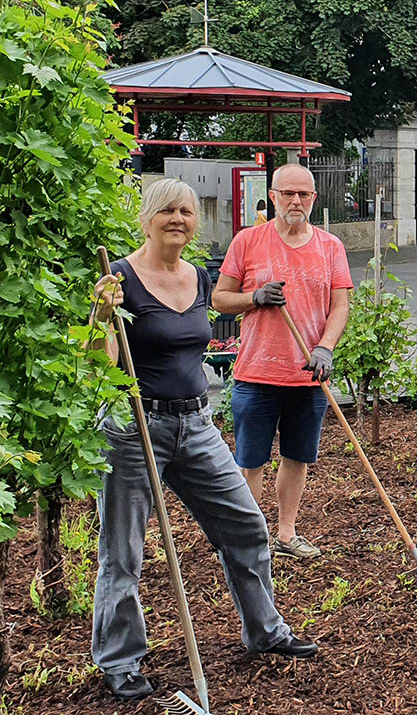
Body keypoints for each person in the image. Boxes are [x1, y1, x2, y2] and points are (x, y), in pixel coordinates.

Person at [89, 179, 316, 702]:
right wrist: (102, 316)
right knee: (122, 551)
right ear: (147, 217)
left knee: (245, 524)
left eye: (186, 211)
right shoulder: (118, 278)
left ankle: (264, 631)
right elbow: (101, 366)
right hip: (133, 425)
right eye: (167, 209)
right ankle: (120, 661)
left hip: (196, 423)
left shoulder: (197, 274)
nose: (178, 218)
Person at [213, 164, 352, 559]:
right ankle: (249, 539)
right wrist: (253, 297)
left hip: (309, 375)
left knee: (297, 457)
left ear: (313, 199)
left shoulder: (330, 246)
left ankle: (287, 534)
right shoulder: (248, 242)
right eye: (288, 193)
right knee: (250, 460)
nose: (296, 201)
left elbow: (340, 305)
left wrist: (325, 348)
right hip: (257, 372)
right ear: (272, 196)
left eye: (303, 195)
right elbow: (220, 299)